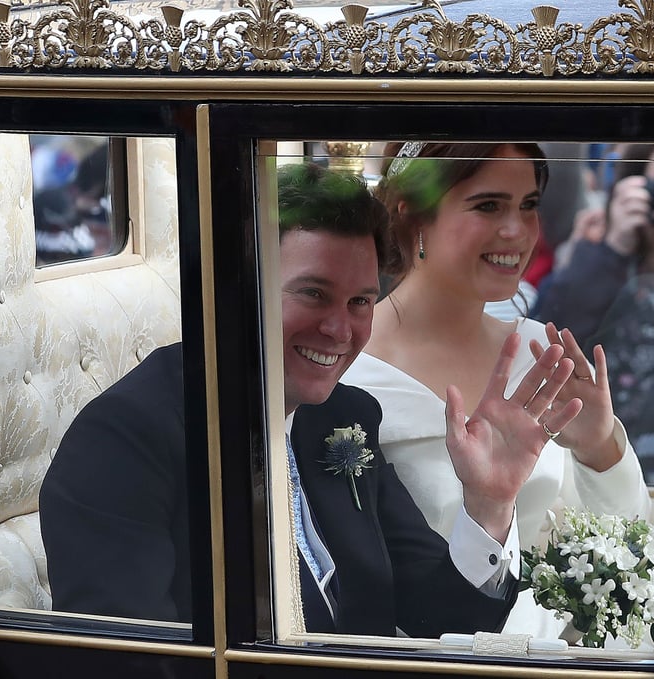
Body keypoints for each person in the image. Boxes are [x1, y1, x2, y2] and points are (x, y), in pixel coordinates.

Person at [39, 163, 582, 636]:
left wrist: (488, 505)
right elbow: (131, 663)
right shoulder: (123, 442)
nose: (339, 328)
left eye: (361, 301)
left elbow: (437, 616)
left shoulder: (345, 416)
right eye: (313, 293)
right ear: (237, 286)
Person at [342, 142, 651, 638]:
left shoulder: (538, 350)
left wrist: (598, 449)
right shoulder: (345, 366)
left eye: (528, 205)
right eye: (488, 205)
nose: (516, 231)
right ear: (411, 213)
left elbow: (625, 551)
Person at [536, 143, 654, 485]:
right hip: (610, 458)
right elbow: (554, 337)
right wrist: (613, 246)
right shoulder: (602, 257)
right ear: (636, 183)